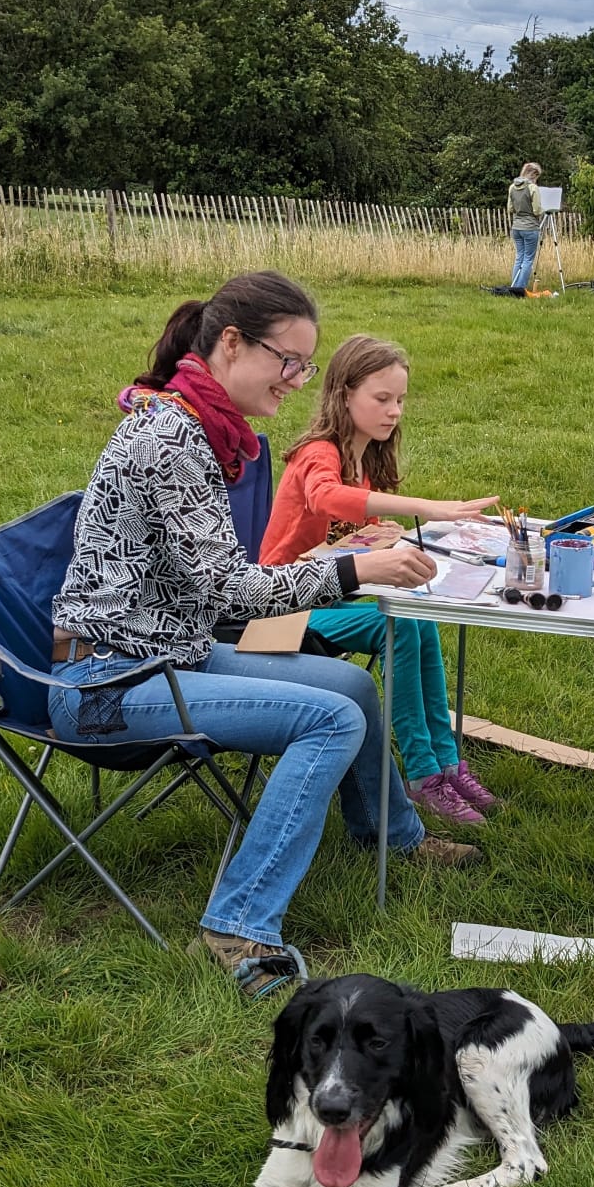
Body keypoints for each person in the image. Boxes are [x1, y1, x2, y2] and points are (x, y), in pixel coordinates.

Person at [49, 272, 478, 998]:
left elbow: (213, 583)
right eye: (290, 361)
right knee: (329, 714)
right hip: (107, 682)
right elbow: (231, 593)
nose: (296, 379)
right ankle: (237, 920)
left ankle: (394, 838)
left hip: (171, 652)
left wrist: (342, 563)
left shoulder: (195, 428)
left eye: (305, 365)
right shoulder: (169, 437)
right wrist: (354, 570)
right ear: (230, 343)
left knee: (351, 683)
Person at [260, 334, 500, 825]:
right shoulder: (318, 454)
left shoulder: (363, 457)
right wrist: (421, 509)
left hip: (330, 594)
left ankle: (446, 762)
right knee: (402, 626)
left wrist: (384, 537)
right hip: (277, 611)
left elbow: (343, 539)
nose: (394, 412)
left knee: (419, 616)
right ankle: (422, 773)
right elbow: (327, 499)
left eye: (401, 400)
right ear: (344, 394)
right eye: (382, 399)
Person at [507, 161, 544, 290]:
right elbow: (537, 210)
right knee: (528, 259)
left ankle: (514, 285)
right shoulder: (532, 188)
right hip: (530, 227)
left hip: (516, 227)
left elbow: (510, 209)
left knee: (519, 257)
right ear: (533, 175)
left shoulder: (512, 187)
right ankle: (520, 288)